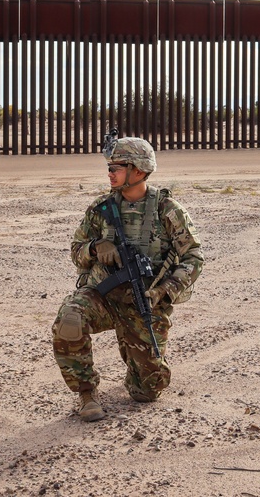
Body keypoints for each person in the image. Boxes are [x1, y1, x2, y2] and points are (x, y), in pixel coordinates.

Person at [52, 134, 203, 422]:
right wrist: (95, 247)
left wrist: (165, 290)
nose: (110, 173)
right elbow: (76, 250)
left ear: (138, 171)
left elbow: (194, 257)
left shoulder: (167, 210)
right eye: (109, 168)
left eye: (116, 168)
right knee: (70, 317)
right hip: (103, 297)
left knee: (148, 390)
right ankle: (86, 393)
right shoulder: (101, 208)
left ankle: (137, 367)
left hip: (145, 301)